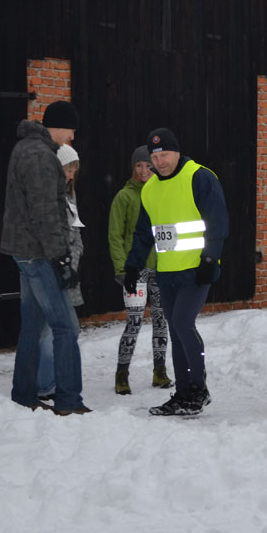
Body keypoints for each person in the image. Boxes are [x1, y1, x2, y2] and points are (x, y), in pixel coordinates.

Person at [124, 127, 228, 417]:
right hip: (168, 271)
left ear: (177, 152)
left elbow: (218, 221)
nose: (160, 162)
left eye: (165, 155)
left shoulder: (199, 177)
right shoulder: (150, 189)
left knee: (183, 323)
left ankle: (199, 389)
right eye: (155, 157)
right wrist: (132, 266)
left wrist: (210, 259)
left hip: (197, 268)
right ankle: (183, 393)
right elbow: (143, 233)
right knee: (175, 329)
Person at [0, 100, 90, 415]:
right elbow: (45, 214)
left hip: (25, 253)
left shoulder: (27, 148)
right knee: (65, 327)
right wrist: (61, 259)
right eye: (72, 130)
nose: (73, 137)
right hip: (38, 254)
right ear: (59, 125)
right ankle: (69, 400)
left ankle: (24, 394)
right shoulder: (40, 155)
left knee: (33, 326)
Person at [109, 145, 171, 395]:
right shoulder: (124, 197)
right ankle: (122, 374)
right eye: (139, 165)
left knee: (161, 320)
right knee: (134, 322)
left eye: (149, 166)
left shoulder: (162, 194)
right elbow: (115, 235)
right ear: (133, 168)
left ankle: (160, 371)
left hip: (161, 269)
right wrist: (121, 268)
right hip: (134, 271)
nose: (144, 170)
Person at [37, 144, 85, 400]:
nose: (71, 174)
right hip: (53, 272)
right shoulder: (48, 197)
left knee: (60, 328)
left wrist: (73, 260)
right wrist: (61, 264)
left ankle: (49, 381)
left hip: (68, 271)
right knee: (59, 328)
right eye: (67, 168)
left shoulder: (69, 197)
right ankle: (45, 383)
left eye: (74, 169)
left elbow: (75, 236)